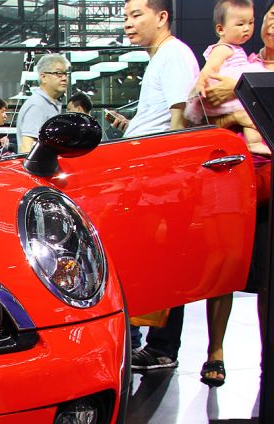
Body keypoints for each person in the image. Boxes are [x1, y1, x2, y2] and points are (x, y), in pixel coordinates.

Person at [107, 0, 201, 375]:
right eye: (125, 17)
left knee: (163, 263)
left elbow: (180, 121)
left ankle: (162, 347)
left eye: (136, 15)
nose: (127, 24)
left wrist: (167, 177)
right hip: (146, 176)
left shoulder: (174, 54)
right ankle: (145, 341)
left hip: (160, 180)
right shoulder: (160, 57)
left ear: (161, 17)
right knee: (145, 261)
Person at [201, 0, 274, 385]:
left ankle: (267, 359)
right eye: (271, 16)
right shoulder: (239, 60)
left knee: (267, 276)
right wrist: (238, 109)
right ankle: (215, 351)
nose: (270, 25)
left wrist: (236, 106)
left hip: (267, 175)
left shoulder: (242, 72)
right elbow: (205, 105)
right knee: (224, 265)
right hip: (234, 173)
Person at [192, 0, 270, 155]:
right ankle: (253, 143)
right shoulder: (224, 49)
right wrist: (201, 83)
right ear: (221, 29)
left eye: (250, 22)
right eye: (240, 24)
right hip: (221, 96)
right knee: (249, 113)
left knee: (250, 114)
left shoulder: (236, 50)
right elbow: (209, 68)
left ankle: (254, 143)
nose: (247, 28)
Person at [16, 54, 69, 153]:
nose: (64, 78)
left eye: (65, 73)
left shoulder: (50, 103)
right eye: (58, 73)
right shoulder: (37, 105)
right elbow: (27, 148)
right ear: (43, 77)